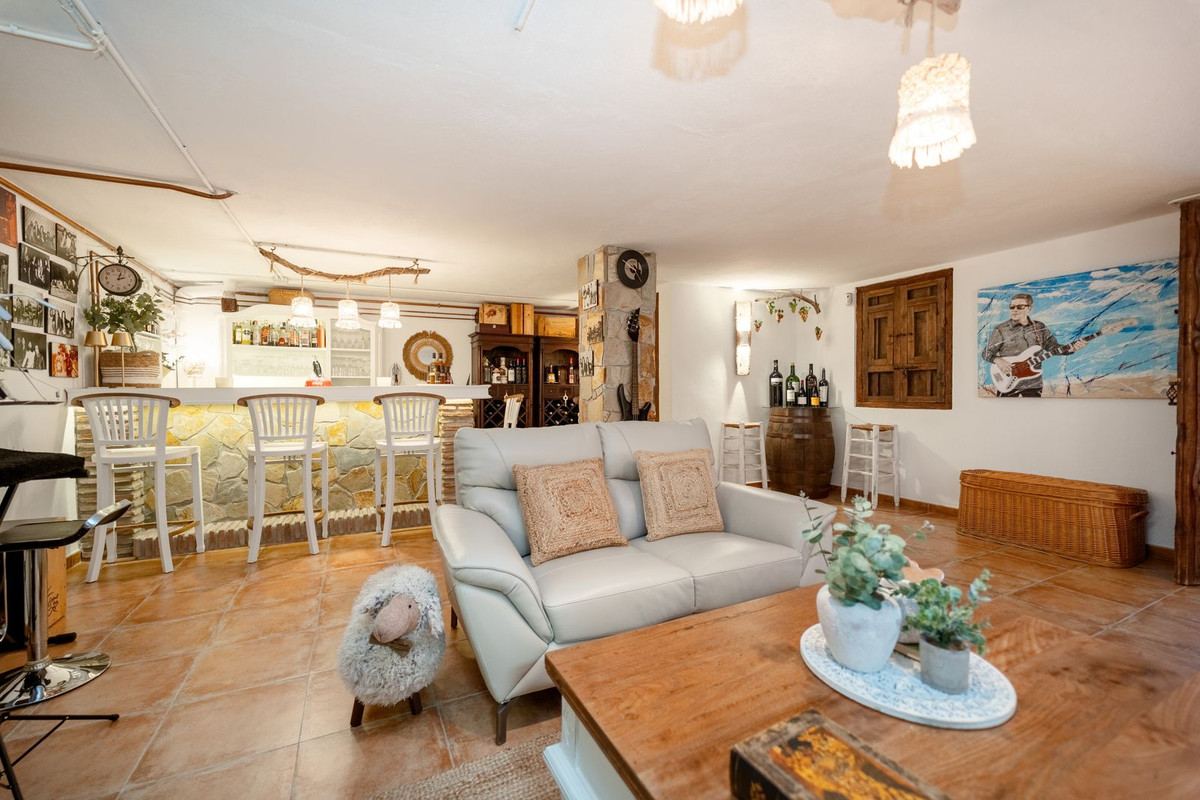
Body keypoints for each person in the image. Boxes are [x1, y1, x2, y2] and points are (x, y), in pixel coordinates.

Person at [982, 293, 1087, 397]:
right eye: (1012, 307)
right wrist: (998, 360)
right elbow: (986, 353)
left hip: (1033, 383)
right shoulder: (1001, 329)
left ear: (1029, 308)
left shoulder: (1039, 327)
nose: (1014, 310)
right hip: (1006, 382)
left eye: (1020, 306)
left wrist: (1070, 349)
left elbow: (1052, 347)